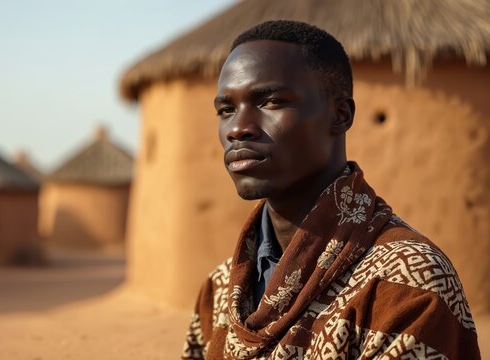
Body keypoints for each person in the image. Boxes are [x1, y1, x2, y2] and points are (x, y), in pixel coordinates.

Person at [181, 20, 480, 359]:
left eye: (271, 102)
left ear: (340, 115)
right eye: (226, 110)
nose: (238, 128)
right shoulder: (220, 290)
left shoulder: (406, 281)